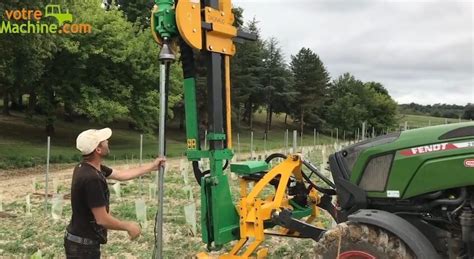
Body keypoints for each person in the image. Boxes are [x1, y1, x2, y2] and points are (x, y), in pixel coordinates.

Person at [64, 128, 165, 258]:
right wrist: (128, 226)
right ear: (98, 150)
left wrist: (151, 166)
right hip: (82, 249)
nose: (107, 141)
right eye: (103, 141)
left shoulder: (87, 167)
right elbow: (102, 219)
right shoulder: (92, 179)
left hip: (80, 243)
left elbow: (121, 174)